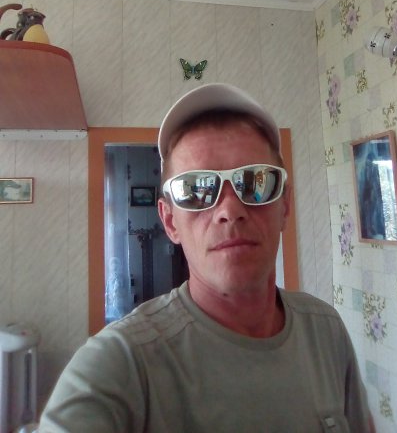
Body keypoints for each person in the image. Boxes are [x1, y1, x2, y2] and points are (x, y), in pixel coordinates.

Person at [40, 83, 375, 432]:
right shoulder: (118, 365)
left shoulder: (325, 330)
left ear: (285, 207)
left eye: (255, 182)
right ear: (170, 221)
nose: (229, 210)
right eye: (195, 189)